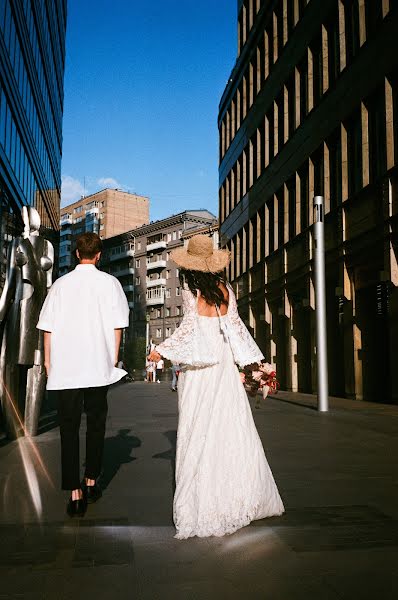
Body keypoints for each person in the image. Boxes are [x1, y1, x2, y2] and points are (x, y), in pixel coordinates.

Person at [149, 234, 284, 539]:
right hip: (222, 365)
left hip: (199, 370)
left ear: (191, 266)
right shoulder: (226, 290)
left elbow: (189, 328)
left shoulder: (189, 290)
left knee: (196, 429)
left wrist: (163, 349)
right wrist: (254, 363)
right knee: (230, 427)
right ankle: (242, 494)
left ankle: (202, 500)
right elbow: (236, 330)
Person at [37, 233, 129, 517]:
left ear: (77, 253)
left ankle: (74, 493)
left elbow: (47, 328)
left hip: (66, 370)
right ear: (99, 255)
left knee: (68, 429)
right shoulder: (111, 284)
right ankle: (91, 481)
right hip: (97, 368)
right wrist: (112, 359)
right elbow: (118, 326)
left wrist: (50, 365)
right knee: (97, 424)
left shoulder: (60, 286)